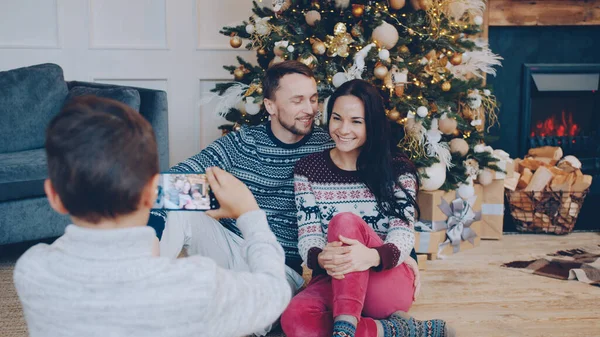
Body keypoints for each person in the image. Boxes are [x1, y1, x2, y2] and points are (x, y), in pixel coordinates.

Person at [13, 97, 291, 337]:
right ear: (153, 192)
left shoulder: (32, 269)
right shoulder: (196, 284)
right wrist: (250, 214)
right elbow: (274, 292)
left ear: (54, 196)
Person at [150, 61, 335, 335]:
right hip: (231, 245)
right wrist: (153, 229)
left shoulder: (327, 145)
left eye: (313, 99)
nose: (310, 109)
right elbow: (174, 179)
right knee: (180, 205)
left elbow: (375, 189)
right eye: (298, 101)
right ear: (270, 106)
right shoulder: (244, 142)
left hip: (281, 266)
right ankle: (139, 289)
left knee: (244, 317)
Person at [281, 80, 455, 337]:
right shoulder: (308, 170)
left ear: (371, 125)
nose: (343, 129)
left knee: (345, 222)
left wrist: (371, 257)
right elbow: (309, 236)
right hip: (335, 278)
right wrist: (319, 258)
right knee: (295, 319)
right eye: (337, 118)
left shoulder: (398, 169)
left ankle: (345, 328)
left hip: (385, 279)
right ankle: (398, 330)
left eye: (356, 121)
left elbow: (403, 234)